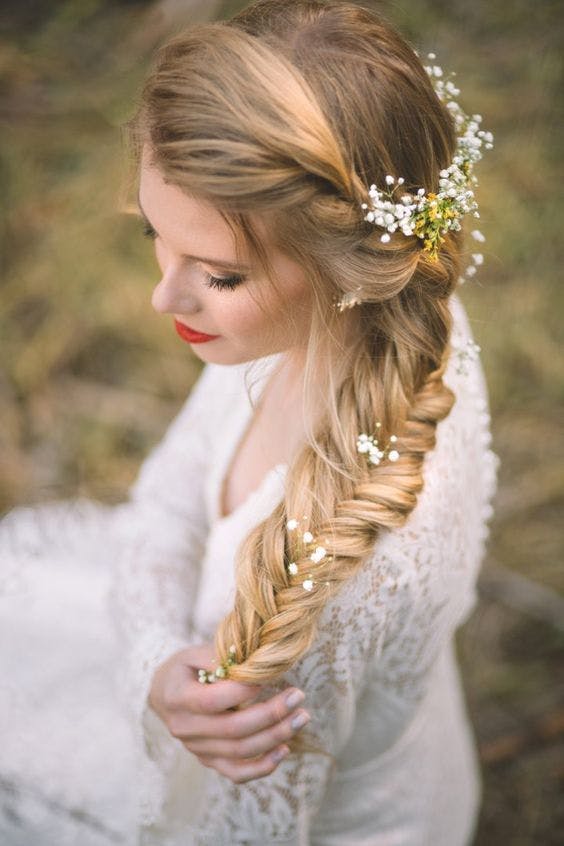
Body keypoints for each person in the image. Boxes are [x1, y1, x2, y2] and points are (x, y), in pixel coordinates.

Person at [0, 1, 500, 843]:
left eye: (222, 277)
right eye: (158, 234)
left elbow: (243, 826)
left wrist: (168, 700)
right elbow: (167, 493)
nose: (165, 297)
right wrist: (155, 664)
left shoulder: (330, 579)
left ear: (352, 262)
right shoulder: (358, 320)